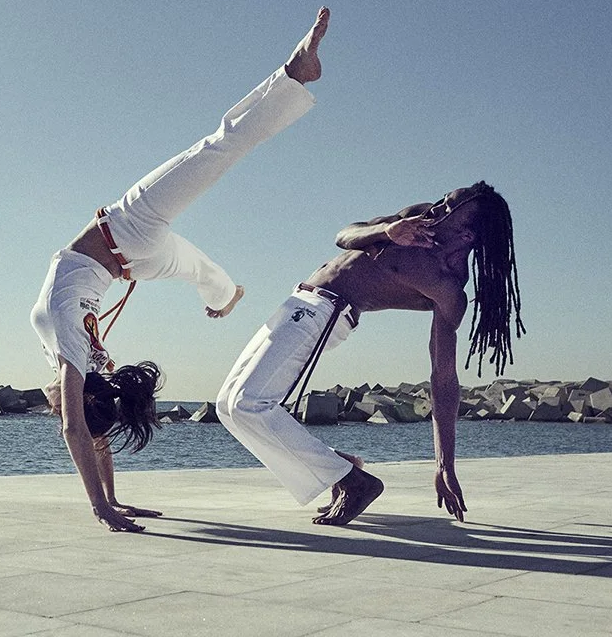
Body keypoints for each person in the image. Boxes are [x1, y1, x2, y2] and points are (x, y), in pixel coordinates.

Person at [31, 7, 332, 532]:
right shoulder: (82, 364)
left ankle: (222, 295)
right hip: (126, 242)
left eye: (59, 406)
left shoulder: (78, 359)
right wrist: (107, 504)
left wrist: (106, 505)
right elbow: (84, 431)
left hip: (133, 259)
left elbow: (81, 431)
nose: (51, 404)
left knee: (205, 258)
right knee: (213, 155)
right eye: (59, 405)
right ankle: (294, 77)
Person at [216, 182, 525, 525]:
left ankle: (354, 482)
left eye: (448, 210)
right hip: (299, 300)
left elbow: (444, 377)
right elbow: (345, 235)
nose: (436, 210)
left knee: (248, 404)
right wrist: (388, 231)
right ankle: (341, 466)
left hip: (326, 313)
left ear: (468, 235)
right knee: (227, 406)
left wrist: (444, 465)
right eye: (442, 201)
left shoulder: (446, 285)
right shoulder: (412, 219)